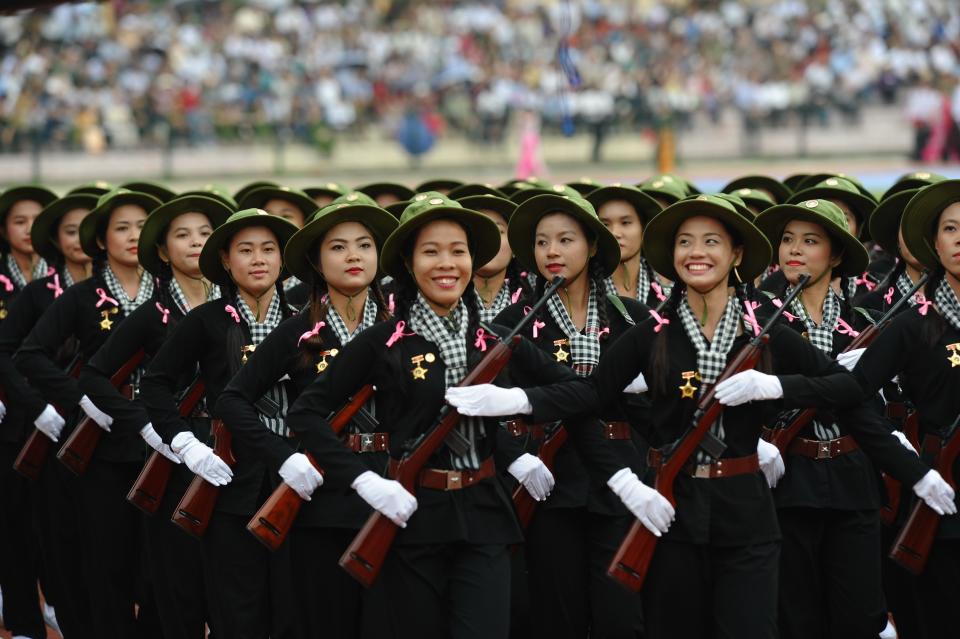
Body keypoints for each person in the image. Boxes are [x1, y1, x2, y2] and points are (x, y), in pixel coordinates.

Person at [447, 194, 866, 638]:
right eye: (685, 242)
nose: (696, 252)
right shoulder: (638, 331)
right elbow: (591, 392)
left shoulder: (731, 328)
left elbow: (844, 385)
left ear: (736, 254)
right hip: (619, 495)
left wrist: (775, 390)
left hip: (711, 502)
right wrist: (518, 410)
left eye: (710, 242)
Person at [285, 193, 584, 638]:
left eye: (457, 251)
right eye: (431, 252)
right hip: (410, 514)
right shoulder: (384, 342)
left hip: (483, 513)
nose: (447, 264)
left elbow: (581, 390)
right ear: (407, 264)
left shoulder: (494, 339)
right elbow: (306, 414)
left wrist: (518, 401)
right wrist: (364, 480)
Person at [754, 197, 953, 638]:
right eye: (787, 240)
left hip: (854, 474)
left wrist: (905, 457)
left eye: (811, 241)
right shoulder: (759, 319)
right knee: (797, 614)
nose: (794, 250)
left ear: (838, 254)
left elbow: (887, 400)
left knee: (861, 614)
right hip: (788, 475)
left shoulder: (866, 319)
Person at [217, 196, 396, 638]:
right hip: (320, 496)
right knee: (323, 619)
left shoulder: (402, 326)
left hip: (391, 488)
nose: (353, 256)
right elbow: (233, 400)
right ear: (315, 261)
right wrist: (282, 457)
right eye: (337, 247)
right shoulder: (298, 330)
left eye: (364, 245)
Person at [77, 192, 232, 639]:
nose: (196, 243)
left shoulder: (238, 308)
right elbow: (95, 375)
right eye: (182, 236)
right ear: (163, 252)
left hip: (230, 452)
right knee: (175, 583)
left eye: (205, 234)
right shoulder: (154, 314)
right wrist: (144, 424)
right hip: (173, 453)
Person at [495, 190, 649, 638]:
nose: (552, 252)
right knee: (556, 614)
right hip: (550, 478)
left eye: (565, 240)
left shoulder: (634, 319)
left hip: (622, 474)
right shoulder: (514, 322)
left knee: (621, 616)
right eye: (542, 242)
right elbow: (493, 404)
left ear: (593, 246)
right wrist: (515, 457)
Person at [139, 208, 299, 639]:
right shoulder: (207, 320)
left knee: (294, 609)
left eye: (269, 249)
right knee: (236, 608)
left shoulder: (307, 318)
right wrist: (185, 444)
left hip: (298, 479)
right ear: (226, 261)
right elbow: (154, 385)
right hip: (230, 478)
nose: (259, 259)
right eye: (245, 250)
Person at [14, 187, 163, 638]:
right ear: (101, 241)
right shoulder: (82, 297)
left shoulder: (167, 295)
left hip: (163, 442)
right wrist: (81, 399)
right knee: (105, 556)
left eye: (141, 227)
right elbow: (29, 354)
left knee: (159, 562)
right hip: (101, 445)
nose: (132, 236)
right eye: (121, 228)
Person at [854, 179, 960, 637]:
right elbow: (853, 397)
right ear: (933, 244)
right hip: (943, 497)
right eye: (951, 229)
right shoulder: (912, 325)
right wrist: (905, 461)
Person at [0, 189, 91, 639]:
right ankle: (25, 622)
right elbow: (10, 352)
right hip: (32, 425)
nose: (81, 239)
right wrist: (34, 407)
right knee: (24, 527)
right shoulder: (38, 293)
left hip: (95, 428)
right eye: (71, 231)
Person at [587, 183, 665, 308]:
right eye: (605, 224)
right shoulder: (583, 290)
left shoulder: (668, 289)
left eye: (625, 223)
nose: (615, 233)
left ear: (643, 228)